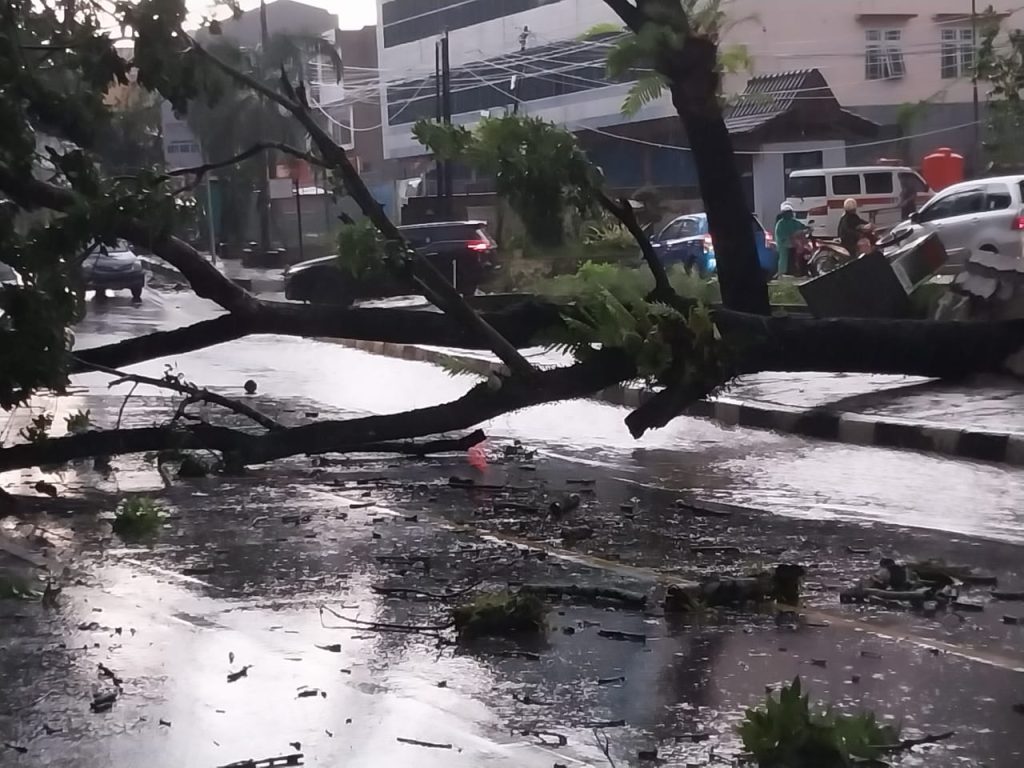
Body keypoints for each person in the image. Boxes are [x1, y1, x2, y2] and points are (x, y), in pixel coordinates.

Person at [774, 202, 806, 276]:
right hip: (784, 244)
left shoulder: (794, 222)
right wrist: (790, 238)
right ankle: (782, 272)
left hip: (794, 243)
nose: (788, 214)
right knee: (784, 258)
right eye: (786, 212)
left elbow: (802, 226)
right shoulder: (780, 224)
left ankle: (798, 269)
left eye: (789, 212)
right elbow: (782, 237)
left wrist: (807, 228)